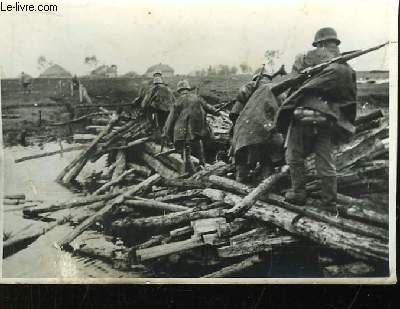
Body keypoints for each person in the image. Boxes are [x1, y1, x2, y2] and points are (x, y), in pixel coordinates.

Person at [275, 27, 357, 213]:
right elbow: (348, 98)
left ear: (319, 43)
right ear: (335, 43)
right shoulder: (346, 68)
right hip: (328, 119)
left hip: (304, 113)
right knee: (326, 161)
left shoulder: (310, 57)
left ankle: (298, 193)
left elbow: (296, 79)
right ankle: (329, 202)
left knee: (294, 155)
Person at [230, 70, 284, 183]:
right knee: (267, 159)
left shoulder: (248, 87)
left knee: (242, 159)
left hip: (246, 131)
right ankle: (266, 185)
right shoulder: (278, 88)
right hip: (268, 130)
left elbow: (234, 114)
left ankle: (239, 183)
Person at [163, 80, 220, 174]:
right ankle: (202, 166)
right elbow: (209, 108)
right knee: (197, 144)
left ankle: (190, 172)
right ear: (188, 89)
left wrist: (166, 132)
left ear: (179, 91)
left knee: (185, 151)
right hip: (196, 130)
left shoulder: (177, 102)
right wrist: (216, 112)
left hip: (182, 131)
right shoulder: (197, 98)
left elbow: (171, 119)